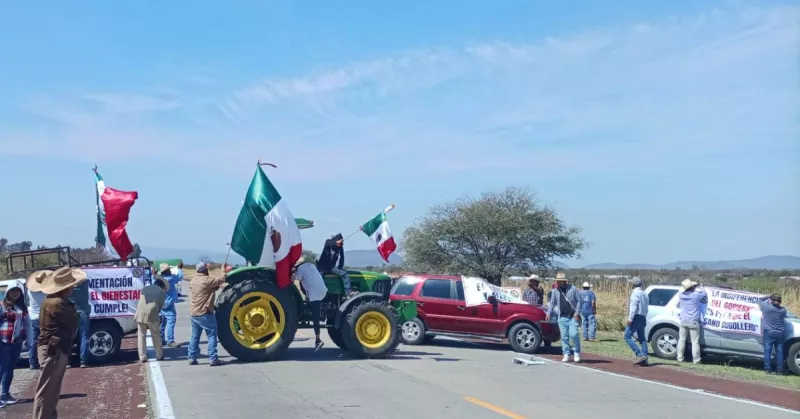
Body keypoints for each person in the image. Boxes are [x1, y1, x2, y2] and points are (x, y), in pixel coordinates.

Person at [32, 266, 84, 419]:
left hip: (52, 347)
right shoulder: (57, 303)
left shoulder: (52, 301)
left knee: (51, 389)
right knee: (48, 390)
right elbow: (73, 320)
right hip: (54, 348)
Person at [185, 262, 227, 366]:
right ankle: (213, 358)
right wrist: (223, 270)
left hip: (194, 313)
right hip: (205, 313)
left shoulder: (193, 280)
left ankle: (191, 357)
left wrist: (213, 288)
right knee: (212, 336)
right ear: (204, 270)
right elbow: (221, 279)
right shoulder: (207, 280)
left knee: (195, 336)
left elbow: (207, 289)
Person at [0, 282, 32, 406]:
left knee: (9, 368)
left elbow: (28, 325)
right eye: (13, 291)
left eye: (18, 291)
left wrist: (30, 341)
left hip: (16, 342)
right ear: (8, 292)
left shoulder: (22, 308)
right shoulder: (2, 306)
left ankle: (5, 394)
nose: (15, 293)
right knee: (2, 368)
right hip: (3, 341)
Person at [292, 257, 328, 351]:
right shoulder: (311, 265)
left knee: (315, 318)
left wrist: (292, 273)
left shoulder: (300, 269)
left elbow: (295, 279)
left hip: (314, 294)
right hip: (323, 291)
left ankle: (318, 340)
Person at [545, 272, 583, 363]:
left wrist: (577, 313)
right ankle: (566, 353)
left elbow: (579, 301)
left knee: (574, 334)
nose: (558, 283)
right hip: (562, 317)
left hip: (572, 316)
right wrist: (548, 313)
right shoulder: (555, 291)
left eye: (560, 281)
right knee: (564, 337)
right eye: (557, 281)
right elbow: (552, 302)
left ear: (564, 281)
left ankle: (576, 352)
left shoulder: (573, 289)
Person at [136, 278, 167, 363]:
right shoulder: (161, 292)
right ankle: (159, 355)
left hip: (140, 314)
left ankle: (142, 357)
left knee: (141, 336)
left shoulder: (145, 288)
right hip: (152, 315)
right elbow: (160, 307)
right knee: (156, 335)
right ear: (162, 286)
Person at [676, 278, 707, 364]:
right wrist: (701, 286)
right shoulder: (696, 295)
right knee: (695, 341)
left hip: (683, 320)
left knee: (681, 339)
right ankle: (696, 359)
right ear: (692, 287)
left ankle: (679, 357)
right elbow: (704, 293)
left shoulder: (681, 295)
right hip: (693, 321)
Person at [25, 270, 50, 371]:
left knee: (34, 341)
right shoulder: (46, 292)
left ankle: (32, 362)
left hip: (33, 317)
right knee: (45, 341)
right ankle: (44, 361)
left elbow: (27, 302)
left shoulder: (29, 291)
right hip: (44, 317)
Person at [757, 293, 787, 375]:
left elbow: (759, 300)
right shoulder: (783, 310)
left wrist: (768, 297)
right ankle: (780, 370)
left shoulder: (766, 307)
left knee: (768, 351)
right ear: (780, 301)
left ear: (771, 300)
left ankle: (767, 369)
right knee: (780, 352)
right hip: (780, 333)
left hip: (769, 332)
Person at [67, 272, 91, 368]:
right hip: (84, 313)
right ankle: (83, 361)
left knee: (69, 337)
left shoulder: (68, 288)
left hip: (71, 313)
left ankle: (68, 361)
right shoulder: (84, 285)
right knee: (84, 337)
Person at [624, 276, 649, 365]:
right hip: (643, 317)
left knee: (627, 336)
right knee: (642, 338)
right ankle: (645, 358)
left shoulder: (635, 293)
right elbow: (646, 307)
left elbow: (633, 307)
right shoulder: (644, 293)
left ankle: (640, 354)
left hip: (636, 317)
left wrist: (630, 318)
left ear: (633, 285)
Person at [158, 263, 182, 348]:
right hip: (168, 303)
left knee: (163, 322)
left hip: (161, 303)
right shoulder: (170, 279)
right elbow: (180, 276)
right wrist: (179, 268)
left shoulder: (159, 280)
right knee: (171, 320)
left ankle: (161, 339)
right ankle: (170, 340)